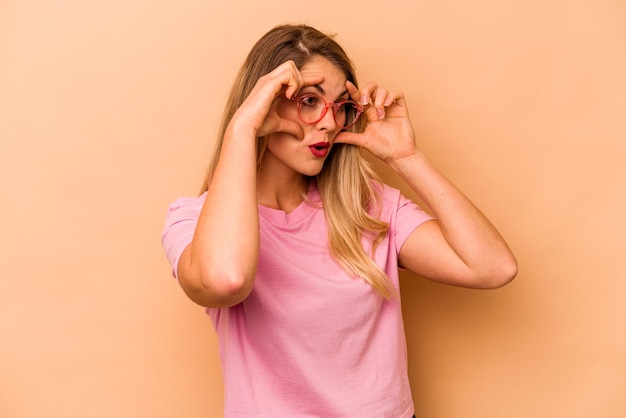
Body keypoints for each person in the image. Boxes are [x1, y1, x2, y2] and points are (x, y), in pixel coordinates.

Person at [161, 23, 517, 418]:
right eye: (309, 101)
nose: (329, 123)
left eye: (341, 107)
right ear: (262, 103)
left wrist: (406, 157)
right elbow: (225, 279)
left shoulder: (368, 206)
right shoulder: (195, 220)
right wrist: (242, 129)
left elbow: (492, 267)